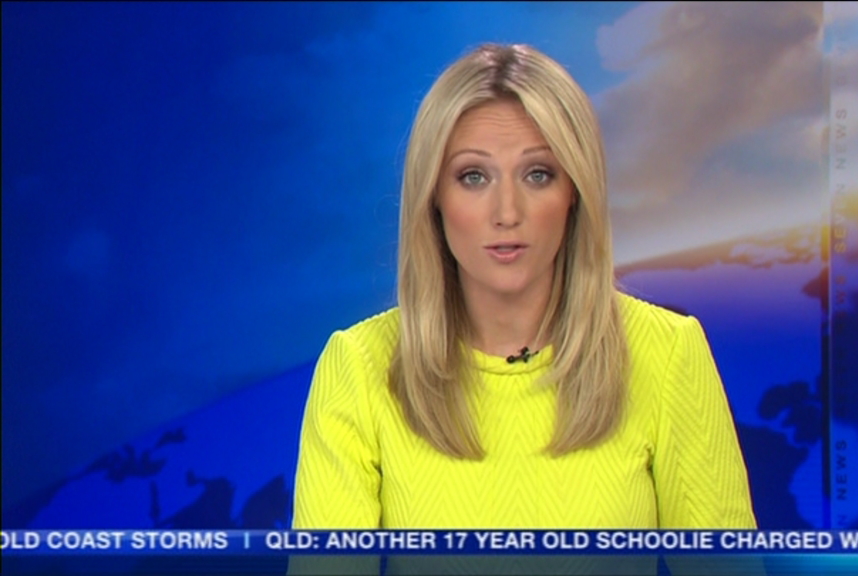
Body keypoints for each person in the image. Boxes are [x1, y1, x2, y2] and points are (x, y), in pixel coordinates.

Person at [290, 43, 757, 575]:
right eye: (473, 176)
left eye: (538, 174)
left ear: (575, 191)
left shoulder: (667, 353)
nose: (507, 212)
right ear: (433, 196)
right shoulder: (359, 368)